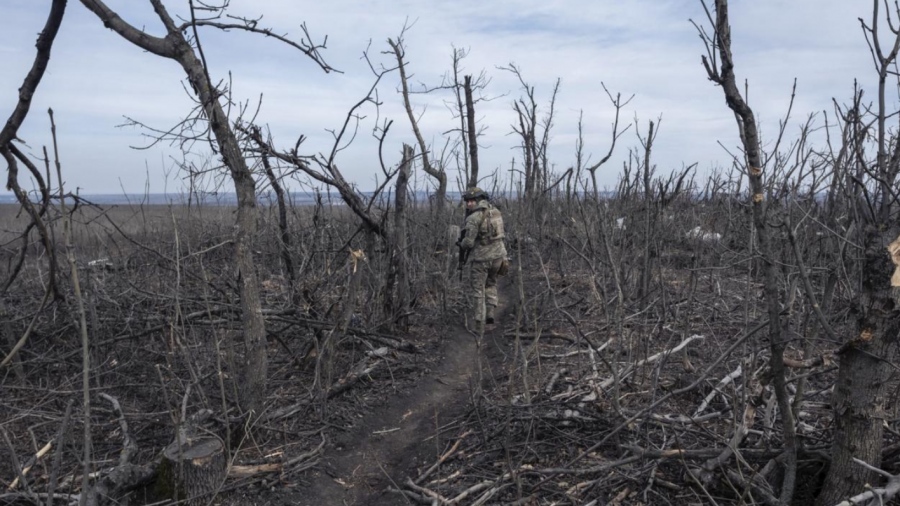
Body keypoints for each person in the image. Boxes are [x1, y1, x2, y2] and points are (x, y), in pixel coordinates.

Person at [458, 187, 507, 333]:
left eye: (472, 201)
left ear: (479, 200)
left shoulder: (473, 218)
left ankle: (479, 325)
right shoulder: (496, 212)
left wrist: (460, 243)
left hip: (481, 259)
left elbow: (468, 243)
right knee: (491, 284)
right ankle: (490, 316)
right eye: (467, 201)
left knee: (478, 290)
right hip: (499, 256)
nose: (469, 204)